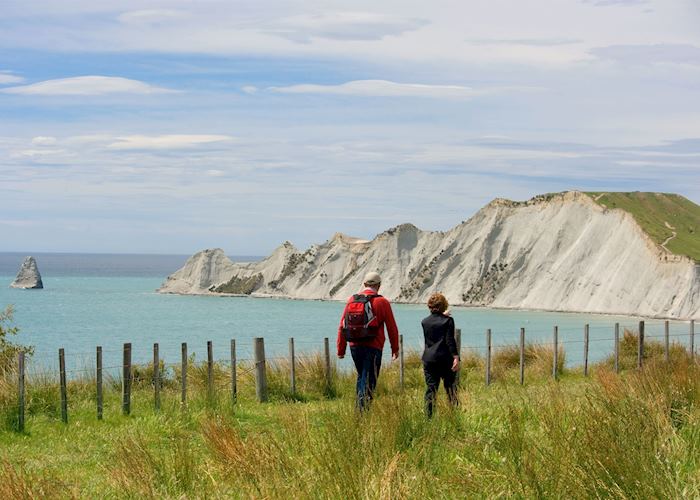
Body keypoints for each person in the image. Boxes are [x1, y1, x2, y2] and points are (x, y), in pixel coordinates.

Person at [337, 271, 399, 411]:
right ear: (378, 285)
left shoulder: (352, 300)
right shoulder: (382, 302)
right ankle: (362, 413)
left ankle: (359, 409)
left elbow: (342, 326)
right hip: (373, 346)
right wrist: (395, 349)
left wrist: (341, 349)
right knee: (370, 380)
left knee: (362, 376)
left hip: (354, 346)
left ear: (364, 284)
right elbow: (391, 327)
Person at [421, 292, 459, 417]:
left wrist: (442, 316)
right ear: (443, 306)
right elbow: (450, 340)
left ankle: (429, 417)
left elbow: (435, 321)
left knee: (431, 389)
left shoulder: (424, 322)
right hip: (445, 359)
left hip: (429, 359)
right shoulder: (448, 321)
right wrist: (456, 357)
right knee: (450, 388)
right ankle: (454, 414)